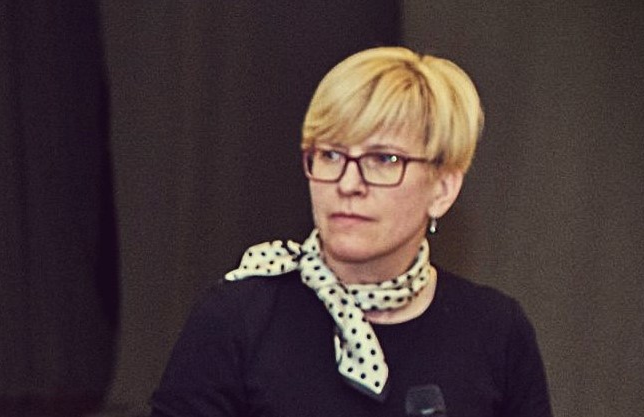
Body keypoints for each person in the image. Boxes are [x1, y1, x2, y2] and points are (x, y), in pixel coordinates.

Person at [150, 46, 552, 417]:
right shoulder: (236, 319)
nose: (348, 183)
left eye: (384, 159)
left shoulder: (496, 331)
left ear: (442, 189)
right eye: (330, 154)